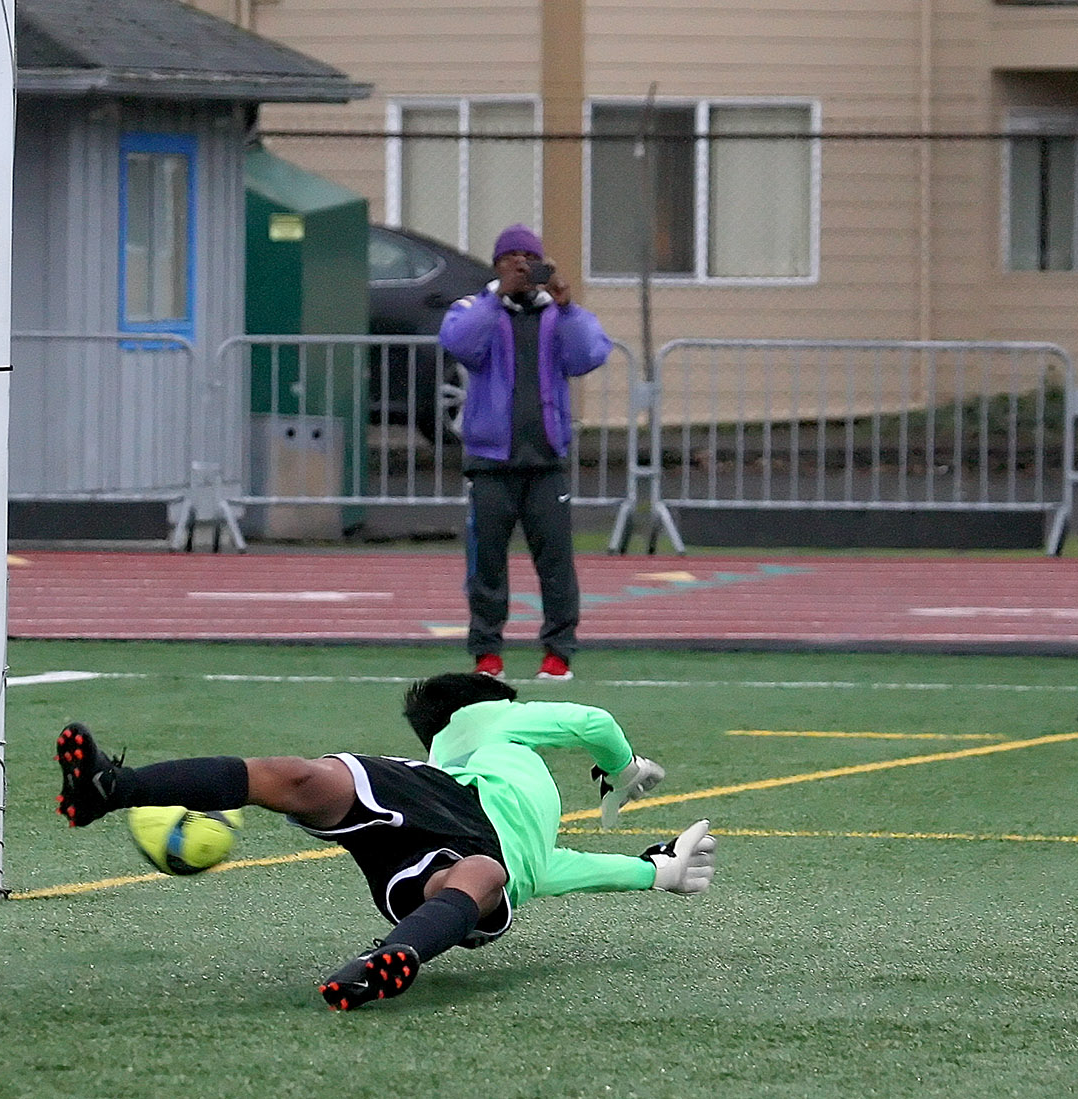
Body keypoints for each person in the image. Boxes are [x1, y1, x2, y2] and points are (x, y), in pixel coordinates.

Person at [54, 672, 716, 1011]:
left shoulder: (523, 837)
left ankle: (390, 957)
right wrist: (624, 770)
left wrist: (653, 870)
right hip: (439, 795)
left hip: (464, 843)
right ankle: (111, 785)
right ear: (495, 702)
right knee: (306, 779)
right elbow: (593, 719)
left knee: (475, 868)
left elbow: (556, 868)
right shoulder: (488, 721)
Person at [439, 224, 613, 682]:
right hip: (491, 462)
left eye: (528, 257)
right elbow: (458, 343)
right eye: (510, 257)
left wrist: (567, 306)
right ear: (496, 265)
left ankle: (558, 653)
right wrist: (498, 298)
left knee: (556, 561)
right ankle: (487, 654)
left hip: (545, 461)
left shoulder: (558, 315)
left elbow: (589, 354)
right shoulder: (475, 308)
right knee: (486, 563)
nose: (520, 264)